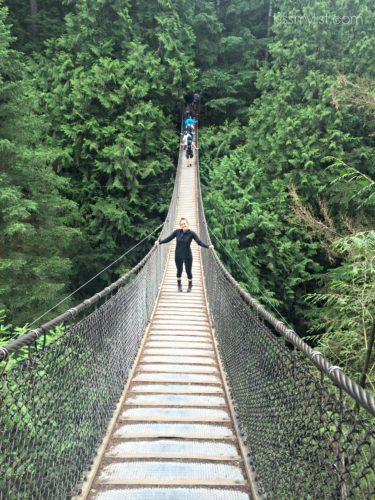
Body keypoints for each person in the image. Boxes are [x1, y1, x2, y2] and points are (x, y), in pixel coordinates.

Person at [155, 218, 213, 292]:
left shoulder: (192, 233)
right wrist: (159, 242)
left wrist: (208, 246)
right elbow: (168, 239)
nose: (183, 225)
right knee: (179, 270)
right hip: (178, 255)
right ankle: (179, 285)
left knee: (188, 271)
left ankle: (190, 285)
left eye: (184, 223)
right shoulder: (177, 232)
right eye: (182, 224)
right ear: (180, 225)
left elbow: (199, 242)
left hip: (188, 255)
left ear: (187, 224)